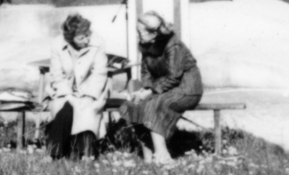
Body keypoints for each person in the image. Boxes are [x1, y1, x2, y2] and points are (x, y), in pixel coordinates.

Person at [121, 10, 202, 165]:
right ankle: (148, 158)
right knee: (133, 105)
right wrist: (144, 89)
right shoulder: (145, 44)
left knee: (153, 104)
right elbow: (146, 72)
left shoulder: (174, 45)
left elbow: (174, 76)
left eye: (141, 32)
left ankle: (162, 155)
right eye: (137, 31)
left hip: (187, 89)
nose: (138, 35)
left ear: (155, 33)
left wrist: (150, 92)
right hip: (163, 89)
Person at [43, 13, 108, 160]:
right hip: (64, 89)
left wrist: (88, 95)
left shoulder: (98, 42)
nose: (87, 39)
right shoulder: (57, 44)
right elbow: (57, 74)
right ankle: (55, 153)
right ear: (70, 38)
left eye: (87, 35)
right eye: (81, 38)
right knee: (65, 109)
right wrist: (68, 95)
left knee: (87, 110)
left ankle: (86, 153)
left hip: (92, 88)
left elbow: (99, 72)